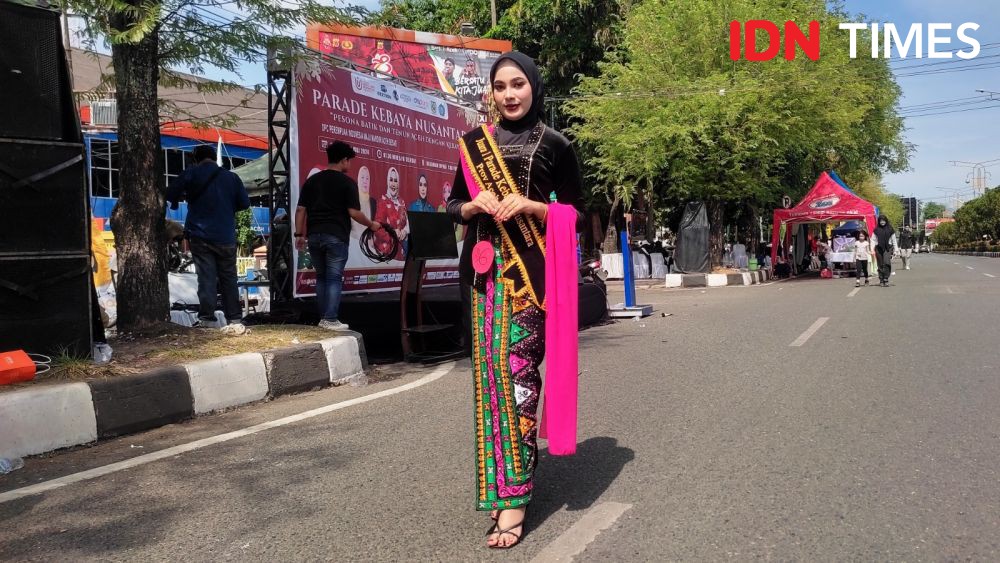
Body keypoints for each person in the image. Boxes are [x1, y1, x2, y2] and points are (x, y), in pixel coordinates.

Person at [447, 51, 584, 549]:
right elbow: (451, 204)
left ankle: (517, 495)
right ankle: (504, 485)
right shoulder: (472, 145)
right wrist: (471, 205)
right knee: (490, 387)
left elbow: (578, 212)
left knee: (517, 375)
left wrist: (532, 207)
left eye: (518, 84)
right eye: (501, 85)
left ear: (534, 88)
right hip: (484, 281)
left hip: (531, 281)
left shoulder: (555, 145)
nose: (509, 94)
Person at [295, 141, 383, 331]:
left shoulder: (312, 181)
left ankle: (323, 319)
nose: (350, 165)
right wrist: (371, 224)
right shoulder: (347, 183)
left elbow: (300, 210)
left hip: (314, 236)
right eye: (349, 161)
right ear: (344, 160)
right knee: (334, 277)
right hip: (335, 236)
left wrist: (298, 234)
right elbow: (353, 212)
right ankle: (331, 319)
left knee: (321, 277)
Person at [166, 144, 250, 334]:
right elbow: (244, 204)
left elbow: (170, 193)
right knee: (229, 278)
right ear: (213, 157)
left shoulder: (192, 173)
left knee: (207, 278)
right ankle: (235, 318)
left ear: (196, 158)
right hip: (226, 236)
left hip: (200, 235)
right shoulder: (232, 177)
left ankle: (207, 318)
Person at [374, 166, 408, 261]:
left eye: (396, 180)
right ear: (387, 182)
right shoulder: (382, 201)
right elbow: (377, 228)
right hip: (385, 252)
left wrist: (404, 232)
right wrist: (392, 234)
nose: (393, 183)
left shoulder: (401, 202)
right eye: (391, 180)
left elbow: (406, 223)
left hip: (400, 253)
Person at [872, 215, 896, 287]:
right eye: (881, 220)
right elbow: (873, 240)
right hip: (878, 248)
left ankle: (886, 278)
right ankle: (881, 279)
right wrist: (872, 249)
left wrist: (896, 250)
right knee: (880, 264)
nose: (882, 222)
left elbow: (894, 240)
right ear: (879, 221)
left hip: (888, 248)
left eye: (883, 220)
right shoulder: (876, 230)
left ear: (886, 221)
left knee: (886, 262)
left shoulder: (890, 229)